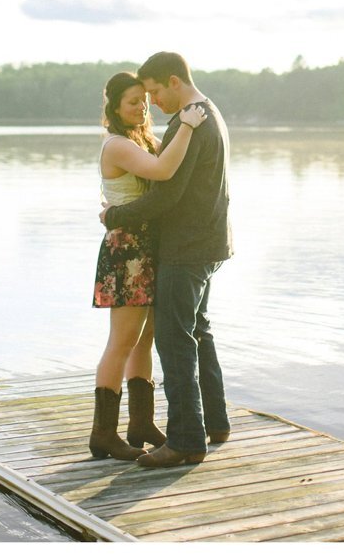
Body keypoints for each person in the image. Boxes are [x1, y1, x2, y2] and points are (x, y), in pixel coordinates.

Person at [100, 51, 232, 468]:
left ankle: (186, 440)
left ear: (174, 81)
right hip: (209, 242)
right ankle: (215, 422)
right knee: (198, 331)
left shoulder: (189, 121)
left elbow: (167, 193)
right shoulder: (209, 112)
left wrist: (115, 215)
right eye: (142, 97)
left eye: (154, 92)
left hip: (186, 247)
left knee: (175, 341)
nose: (152, 102)